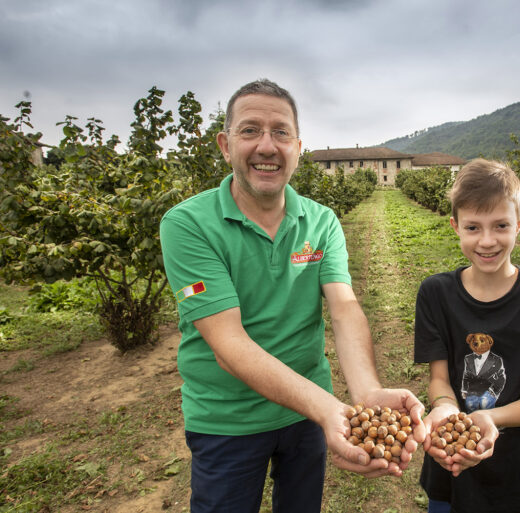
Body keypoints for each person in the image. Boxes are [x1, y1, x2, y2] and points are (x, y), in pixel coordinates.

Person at [159, 78, 426, 513]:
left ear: (298, 147)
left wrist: (366, 392)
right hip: (227, 421)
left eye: (281, 132)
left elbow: (343, 307)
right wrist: (329, 409)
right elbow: (227, 345)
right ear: (226, 145)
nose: (267, 146)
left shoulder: (321, 222)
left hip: (304, 414)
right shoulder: (187, 225)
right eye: (251, 131)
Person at [413, 158, 520, 513]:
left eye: (500, 225)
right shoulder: (435, 294)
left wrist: (489, 418)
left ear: (519, 222)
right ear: (455, 226)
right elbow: (439, 378)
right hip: (451, 467)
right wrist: (444, 407)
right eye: (473, 227)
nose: (487, 241)